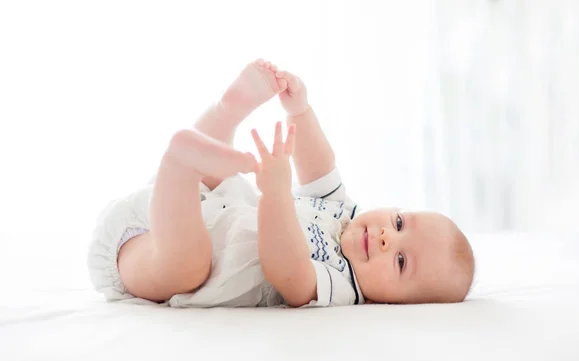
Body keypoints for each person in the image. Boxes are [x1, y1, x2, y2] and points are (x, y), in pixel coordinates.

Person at [87, 59, 475, 308]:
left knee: (188, 268)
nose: (389, 237)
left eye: (402, 261)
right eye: (401, 222)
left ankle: (179, 165)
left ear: (396, 304)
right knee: (224, 180)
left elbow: (287, 270)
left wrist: (275, 193)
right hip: (194, 206)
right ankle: (227, 112)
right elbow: (321, 167)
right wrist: (299, 112)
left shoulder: (343, 286)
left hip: (159, 253)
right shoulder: (344, 213)